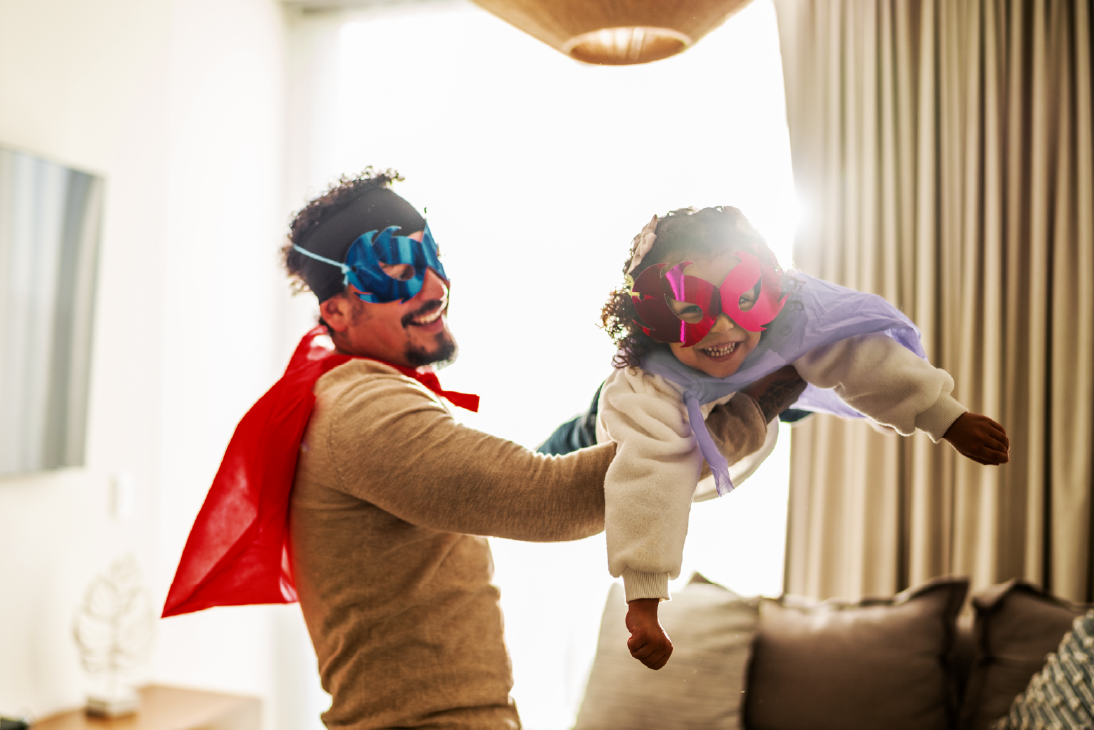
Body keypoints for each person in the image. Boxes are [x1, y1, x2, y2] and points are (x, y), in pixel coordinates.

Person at [164, 169, 802, 730]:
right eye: (395, 271)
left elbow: (511, 477)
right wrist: (749, 411)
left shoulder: (356, 394)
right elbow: (547, 499)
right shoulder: (364, 411)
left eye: (432, 257)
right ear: (334, 311)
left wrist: (630, 410)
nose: (432, 286)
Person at [595, 206, 1010, 671]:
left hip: (753, 378)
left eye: (741, 299)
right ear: (654, 316)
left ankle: (787, 385)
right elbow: (649, 474)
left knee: (810, 366)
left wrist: (947, 418)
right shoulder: (646, 384)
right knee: (585, 441)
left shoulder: (790, 316)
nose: (723, 327)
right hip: (627, 418)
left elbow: (861, 355)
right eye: (692, 309)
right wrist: (644, 600)